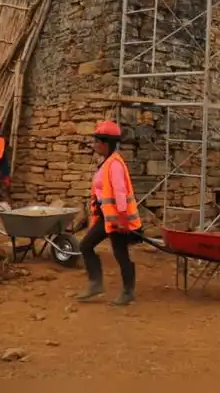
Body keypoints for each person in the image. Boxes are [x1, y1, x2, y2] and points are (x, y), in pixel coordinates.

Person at [77, 120, 142, 306]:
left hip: (117, 218)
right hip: (107, 217)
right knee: (87, 246)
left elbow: (120, 192)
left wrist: (122, 219)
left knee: (120, 254)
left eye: (97, 141)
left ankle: (127, 292)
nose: (94, 145)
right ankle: (95, 284)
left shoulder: (114, 164)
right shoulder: (106, 162)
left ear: (106, 143)